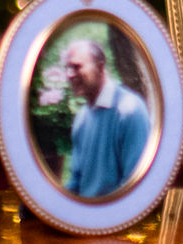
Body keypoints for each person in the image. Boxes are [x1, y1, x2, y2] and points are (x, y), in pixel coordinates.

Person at [61, 39, 150, 197]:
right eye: (67, 68)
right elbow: (76, 182)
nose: (69, 75)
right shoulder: (82, 117)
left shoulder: (130, 111)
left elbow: (136, 188)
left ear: (100, 67)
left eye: (76, 67)